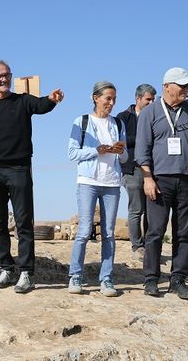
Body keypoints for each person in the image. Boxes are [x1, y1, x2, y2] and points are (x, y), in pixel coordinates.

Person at [0, 60, 64, 294]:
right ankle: (6, 267)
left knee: (24, 223)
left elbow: (42, 105)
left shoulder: (23, 101)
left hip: (19, 170)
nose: (3, 79)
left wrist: (52, 99)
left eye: (6, 75)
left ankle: (26, 272)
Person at [135, 67, 188, 300]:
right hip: (159, 179)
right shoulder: (150, 113)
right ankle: (151, 279)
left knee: (182, 232)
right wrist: (148, 178)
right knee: (155, 231)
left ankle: (177, 279)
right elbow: (142, 150)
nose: (186, 89)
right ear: (167, 86)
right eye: (182, 86)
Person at [67, 81, 127, 297]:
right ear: (95, 97)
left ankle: (107, 279)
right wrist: (96, 150)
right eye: (107, 98)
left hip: (112, 183)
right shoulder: (81, 122)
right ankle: (75, 276)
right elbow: (72, 153)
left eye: (114, 99)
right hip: (88, 182)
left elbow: (126, 156)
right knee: (84, 231)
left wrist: (121, 151)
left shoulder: (119, 124)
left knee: (109, 234)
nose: (111, 103)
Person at [116, 84, 156, 262]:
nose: (151, 102)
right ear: (138, 98)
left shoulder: (156, 116)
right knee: (136, 209)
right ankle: (137, 246)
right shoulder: (123, 117)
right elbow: (120, 142)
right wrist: (143, 139)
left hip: (153, 169)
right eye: (148, 99)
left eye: (153, 99)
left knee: (152, 210)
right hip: (132, 169)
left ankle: (150, 247)